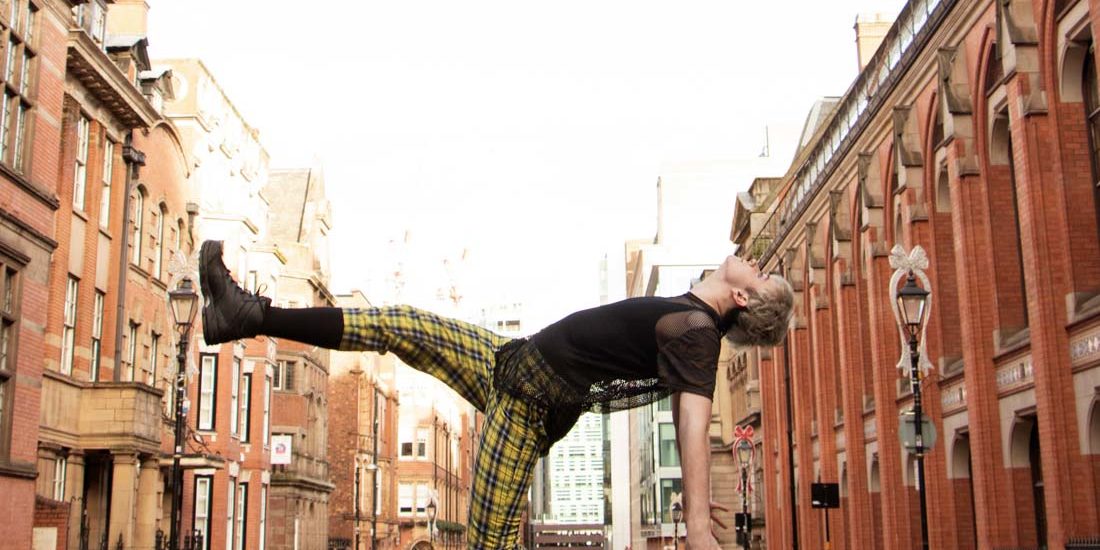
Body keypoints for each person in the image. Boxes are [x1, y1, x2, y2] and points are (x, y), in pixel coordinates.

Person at [198, 240, 795, 550]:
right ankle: (244, 315)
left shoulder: (697, 334)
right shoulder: (688, 313)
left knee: (489, 544)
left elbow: (693, 420)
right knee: (396, 323)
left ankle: (247, 314)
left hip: (525, 406)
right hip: (508, 360)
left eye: (762, 274)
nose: (753, 261)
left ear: (744, 299)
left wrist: (695, 524)